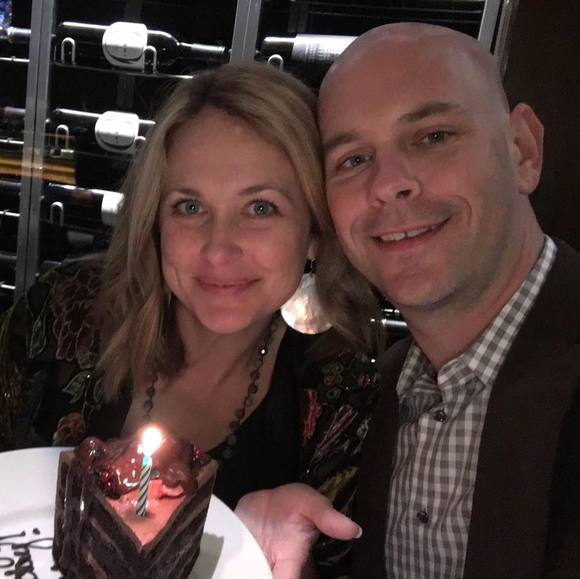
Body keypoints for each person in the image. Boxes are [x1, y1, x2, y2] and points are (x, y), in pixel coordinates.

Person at [0, 63, 383, 571]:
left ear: (313, 232)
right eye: (189, 207)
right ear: (155, 220)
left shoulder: (342, 391)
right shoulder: (62, 310)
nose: (218, 249)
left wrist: (287, 568)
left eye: (261, 208)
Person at [236, 22, 580, 579]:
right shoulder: (380, 392)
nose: (388, 184)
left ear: (523, 150)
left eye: (433, 136)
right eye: (352, 160)